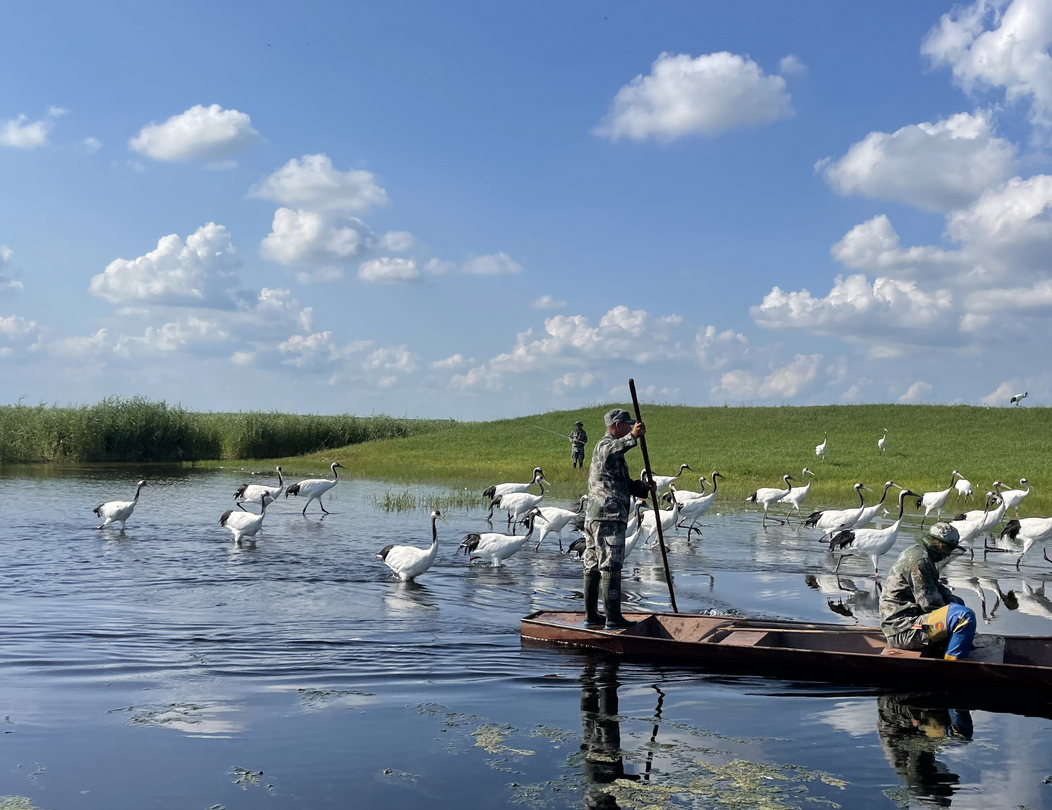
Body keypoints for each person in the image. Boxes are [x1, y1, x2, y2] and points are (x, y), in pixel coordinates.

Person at [582, 408, 653, 629]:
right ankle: (612, 619)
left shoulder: (613, 452)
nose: (629, 428)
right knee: (611, 564)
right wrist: (633, 437)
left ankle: (593, 617)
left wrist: (640, 487)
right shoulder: (605, 445)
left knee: (593, 564)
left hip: (599, 515)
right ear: (618, 425)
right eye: (626, 425)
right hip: (608, 516)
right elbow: (610, 452)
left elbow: (616, 481)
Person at [879, 522, 977, 660]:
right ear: (940, 545)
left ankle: (946, 647)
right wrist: (954, 617)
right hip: (903, 630)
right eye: (949, 549)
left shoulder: (919, 553)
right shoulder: (920, 562)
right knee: (963, 617)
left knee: (957, 603)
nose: (948, 554)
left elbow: (937, 588)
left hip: (907, 621)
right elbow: (929, 604)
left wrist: (953, 603)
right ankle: (953, 666)